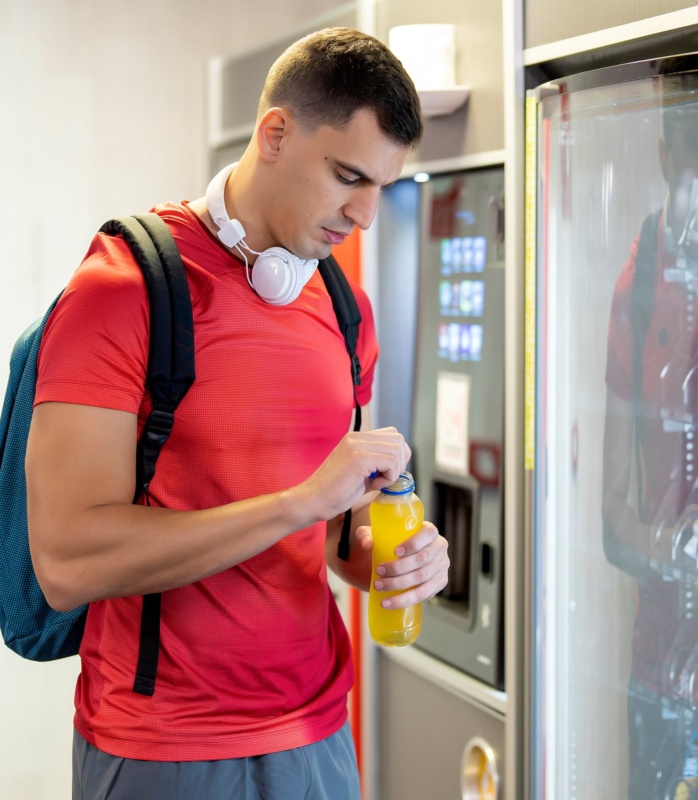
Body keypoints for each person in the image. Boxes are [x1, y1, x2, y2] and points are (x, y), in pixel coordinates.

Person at [25, 27, 449, 800]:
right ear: (276, 134)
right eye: (347, 175)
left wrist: (390, 553)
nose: (364, 215)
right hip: (161, 750)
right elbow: (65, 562)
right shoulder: (122, 290)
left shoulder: (346, 311)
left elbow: (330, 538)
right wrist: (300, 502)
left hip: (320, 736)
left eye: (380, 186)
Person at [601, 57, 698, 800]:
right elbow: (611, 524)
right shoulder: (641, 277)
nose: (697, 165)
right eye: (683, 139)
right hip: (659, 671)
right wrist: (683, 554)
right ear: (661, 152)